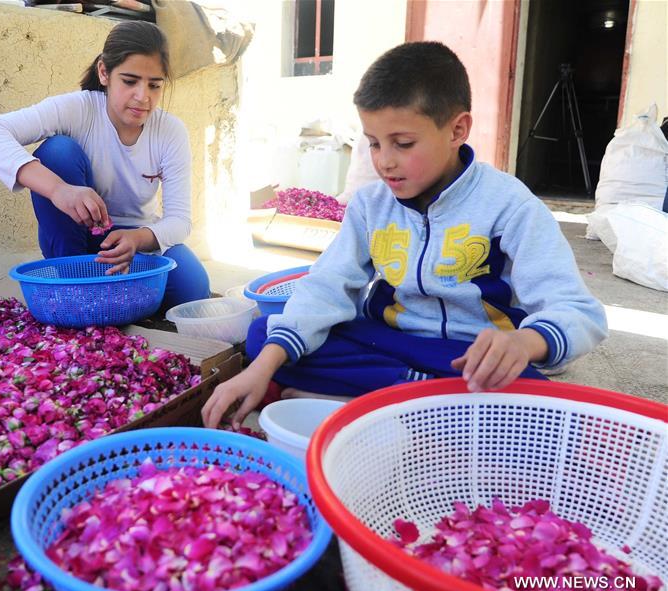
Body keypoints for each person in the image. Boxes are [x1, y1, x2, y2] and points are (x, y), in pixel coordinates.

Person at [203, 41, 607, 429]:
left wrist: (524, 343)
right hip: (390, 344)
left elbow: (579, 313)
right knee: (264, 335)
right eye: (374, 144)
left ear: (457, 129)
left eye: (403, 143)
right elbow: (327, 287)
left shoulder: (510, 206)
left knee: (547, 413)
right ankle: (422, 402)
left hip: (470, 360)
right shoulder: (370, 206)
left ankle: (371, 401)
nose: (385, 162)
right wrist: (264, 365)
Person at [0, 21, 210, 308]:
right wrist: (59, 190)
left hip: (132, 243)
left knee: (193, 291)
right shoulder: (78, 110)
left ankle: (107, 293)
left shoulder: (170, 131)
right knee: (58, 152)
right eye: (130, 81)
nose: (143, 97)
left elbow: (179, 221)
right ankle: (74, 283)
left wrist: (140, 238)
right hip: (79, 239)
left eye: (155, 85)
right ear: (104, 72)